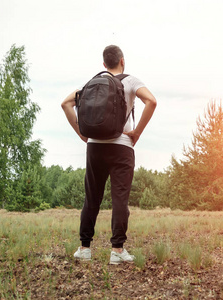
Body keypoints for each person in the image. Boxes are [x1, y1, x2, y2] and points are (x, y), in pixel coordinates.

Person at [61, 45, 157, 264]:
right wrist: (137, 132)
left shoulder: (91, 84)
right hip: (122, 146)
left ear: (104, 64)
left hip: (95, 147)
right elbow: (151, 101)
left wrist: (81, 133)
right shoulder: (131, 81)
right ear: (122, 61)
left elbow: (65, 103)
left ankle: (84, 248)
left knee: (91, 199)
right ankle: (117, 250)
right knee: (119, 199)